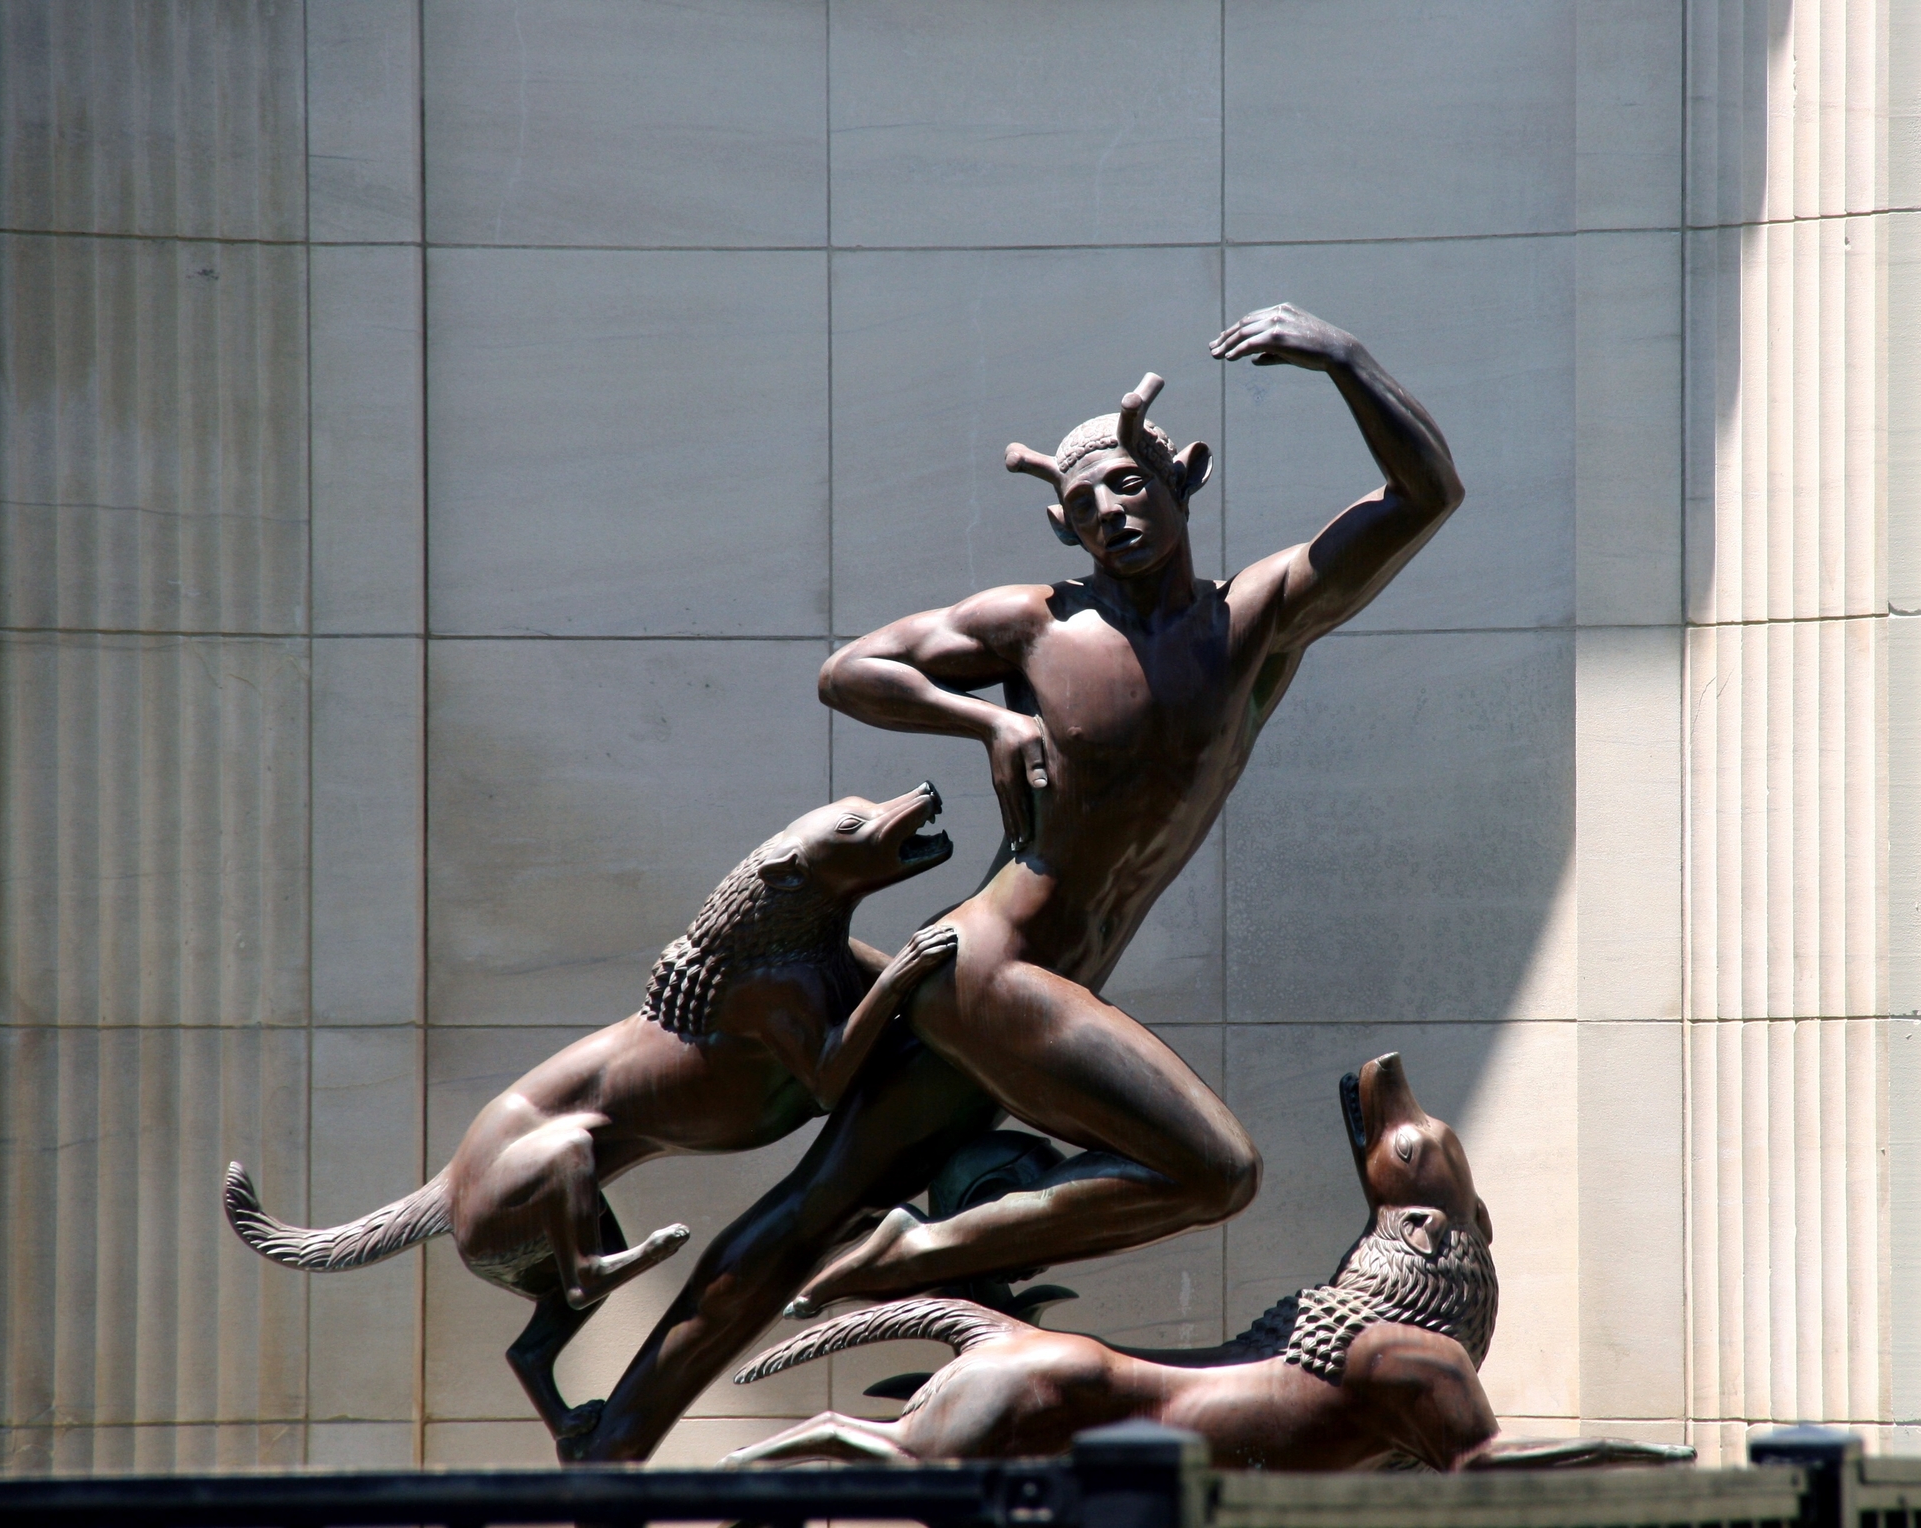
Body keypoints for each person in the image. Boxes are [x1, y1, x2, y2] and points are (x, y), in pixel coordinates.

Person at [570, 300, 1463, 1460]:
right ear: (1062, 526)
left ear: (1181, 478)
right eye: (1087, 506)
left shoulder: (1255, 621)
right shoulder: (1039, 626)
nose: (1113, 515)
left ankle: (612, 1443)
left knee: (799, 1219)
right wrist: (976, 727)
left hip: (1003, 986)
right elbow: (853, 670)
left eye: (1132, 489)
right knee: (1215, 1168)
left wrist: (1340, 357)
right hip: (989, 964)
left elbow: (1424, 497)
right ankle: (919, 1255)